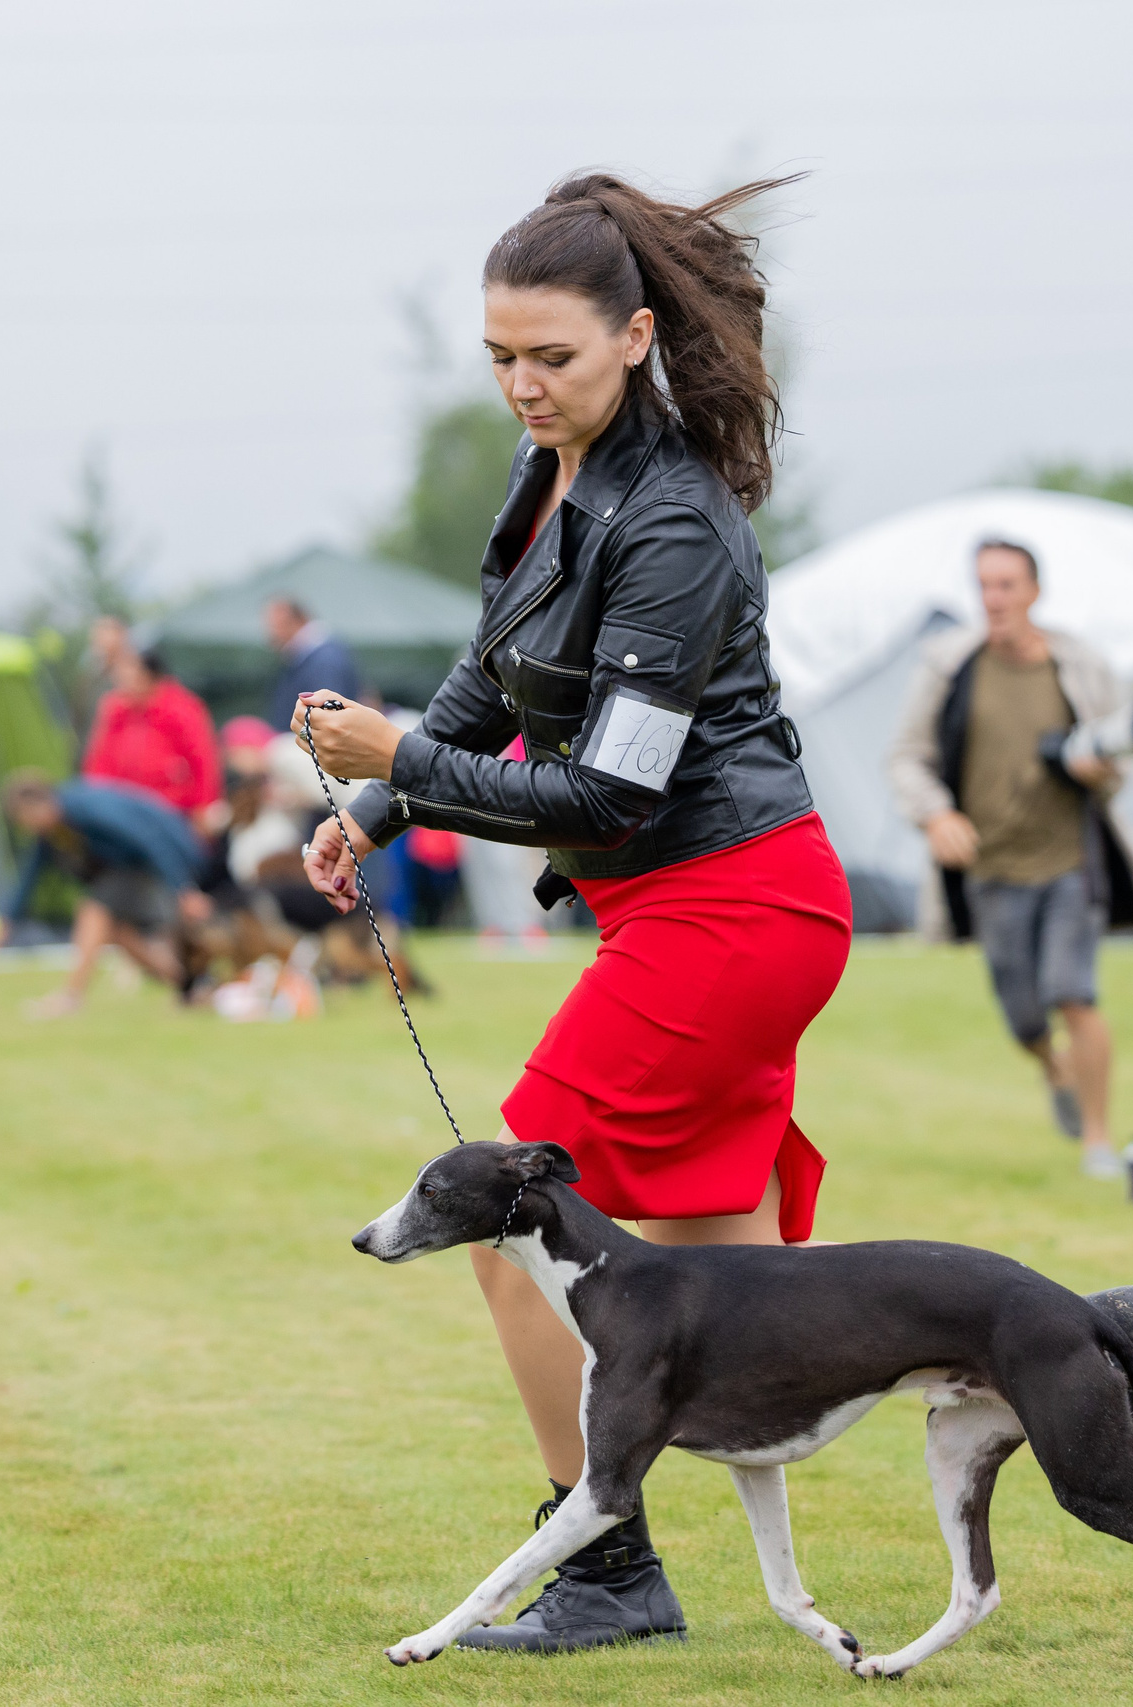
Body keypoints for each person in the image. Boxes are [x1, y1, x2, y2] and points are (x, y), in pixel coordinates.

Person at [291, 172, 846, 1654]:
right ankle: (1005, 1365)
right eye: (500, 358)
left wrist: (397, 757)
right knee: (722, 1263)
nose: (524, 387)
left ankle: (606, 1567)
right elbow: (491, 678)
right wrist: (375, 809)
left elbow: (609, 794)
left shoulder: (670, 521)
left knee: (505, 1214)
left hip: (728, 907)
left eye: (554, 356)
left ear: (638, 336)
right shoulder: (557, 474)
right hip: (700, 908)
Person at [888, 538, 1133, 1179]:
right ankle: (1052, 1067)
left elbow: (1120, 753)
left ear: (1034, 592)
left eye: (1006, 585)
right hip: (991, 872)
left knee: (1073, 992)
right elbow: (906, 757)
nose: (993, 598)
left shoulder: (1076, 664)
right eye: (984, 586)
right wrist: (937, 813)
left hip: (1069, 863)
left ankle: (1100, 1140)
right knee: (1025, 1017)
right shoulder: (950, 667)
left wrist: (1098, 766)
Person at [0, 771, 213, 1019]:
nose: (28, 827)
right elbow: (30, 878)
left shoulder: (88, 808)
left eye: (25, 819)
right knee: (117, 933)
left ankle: (70, 997)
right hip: (134, 870)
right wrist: (2, 927)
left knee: (94, 908)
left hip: (171, 859)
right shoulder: (53, 831)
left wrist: (185, 887)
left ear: (39, 805)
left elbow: (150, 837)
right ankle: (192, 986)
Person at [80, 639, 224, 832]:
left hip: (174, 812)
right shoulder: (115, 709)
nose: (119, 675)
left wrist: (204, 806)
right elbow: (98, 762)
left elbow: (204, 760)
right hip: (125, 812)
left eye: (126, 667)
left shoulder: (181, 707)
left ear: (148, 673)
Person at [263, 597, 363, 732]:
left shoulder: (325, 660)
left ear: (296, 620)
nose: (271, 634)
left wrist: (303, 739)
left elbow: (328, 718)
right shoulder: (307, 657)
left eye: (277, 625)